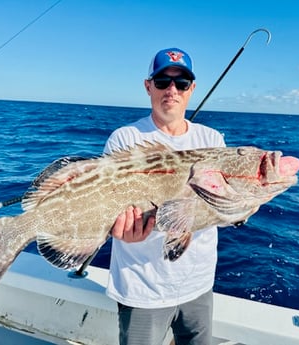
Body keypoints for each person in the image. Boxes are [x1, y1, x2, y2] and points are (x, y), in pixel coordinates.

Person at [103, 47, 226, 345]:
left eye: (181, 83)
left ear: (192, 89)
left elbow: (219, 207)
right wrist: (116, 231)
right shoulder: (125, 139)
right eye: (162, 81)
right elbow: (106, 205)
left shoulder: (212, 140)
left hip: (198, 285)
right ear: (148, 86)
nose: (172, 89)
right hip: (143, 288)